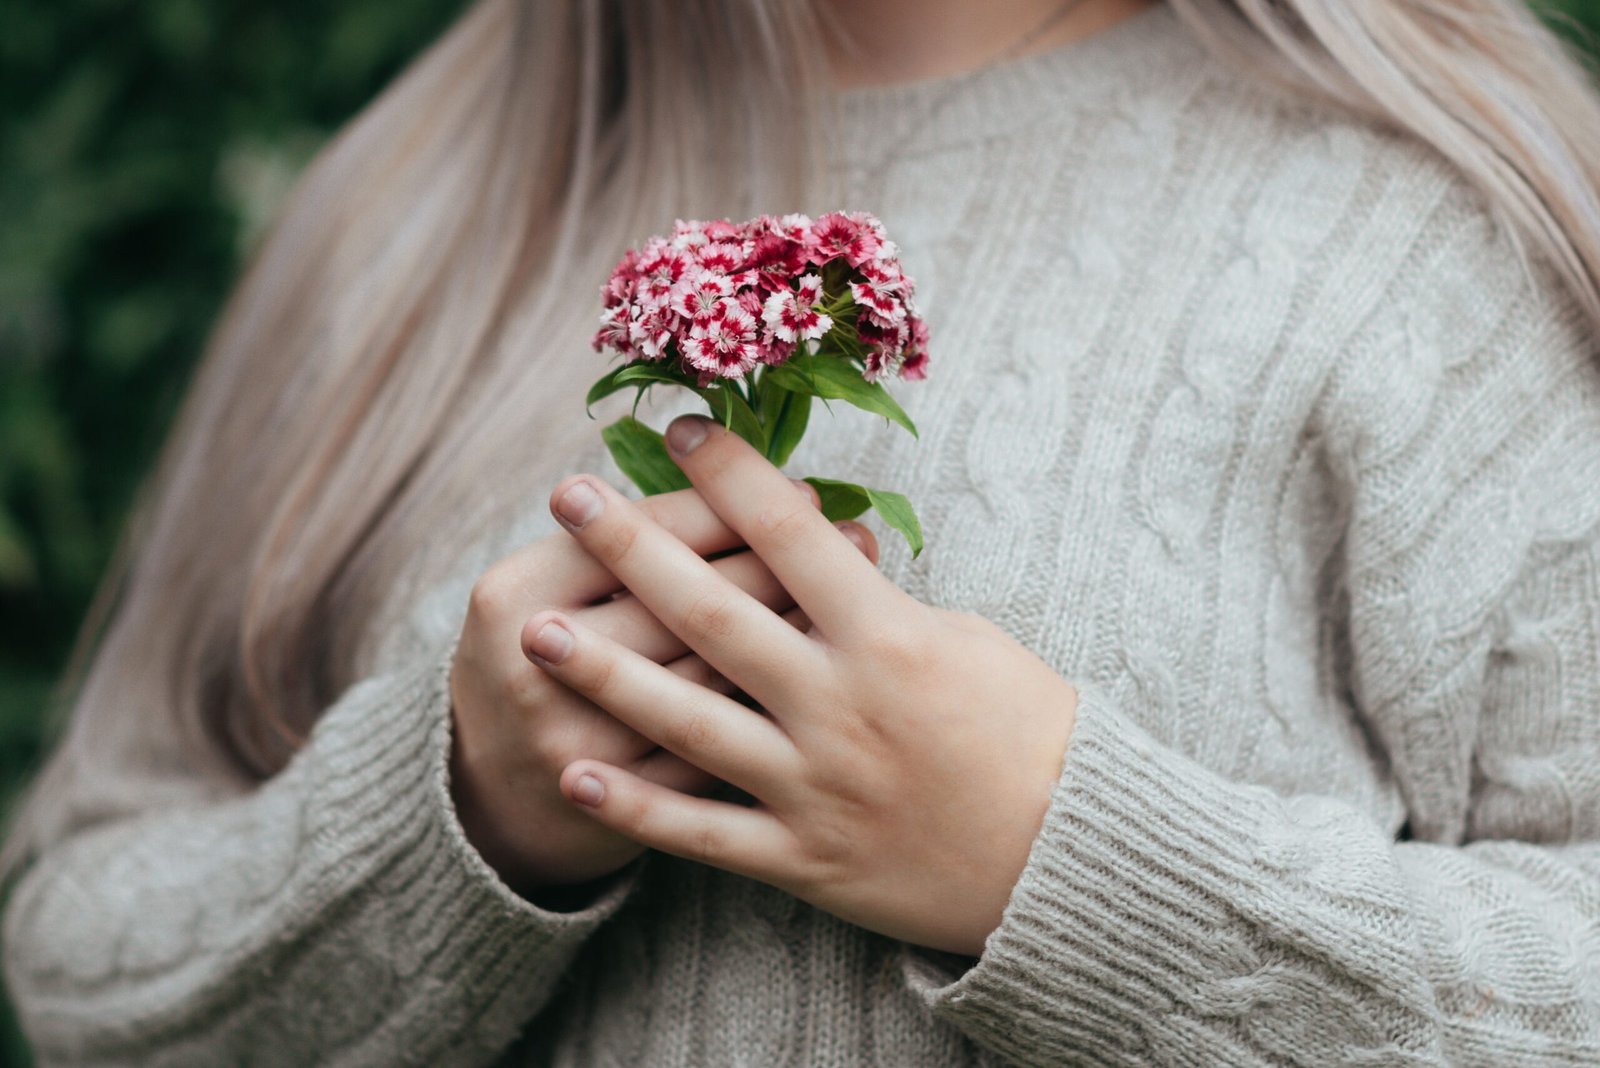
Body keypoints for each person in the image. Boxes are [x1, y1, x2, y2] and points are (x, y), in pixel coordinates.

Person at [6, 0, 1600, 1063]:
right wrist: (457, 820)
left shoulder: (1428, 213)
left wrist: (1071, 871)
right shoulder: (412, 210)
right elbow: (80, 966)